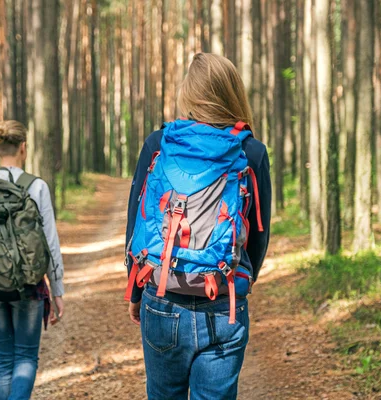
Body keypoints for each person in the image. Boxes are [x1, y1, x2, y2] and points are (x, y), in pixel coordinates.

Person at [124, 53, 271, 400]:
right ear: (233, 93)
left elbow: (136, 221)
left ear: (188, 93)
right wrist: (236, 278)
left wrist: (134, 291)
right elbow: (258, 236)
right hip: (223, 301)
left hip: (162, 296)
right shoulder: (251, 151)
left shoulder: (159, 144)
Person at [0, 120, 65, 400]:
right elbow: (50, 243)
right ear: (23, 147)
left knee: (4, 361)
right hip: (28, 285)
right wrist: (57, 291)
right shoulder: (37, 187)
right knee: (25, 357)